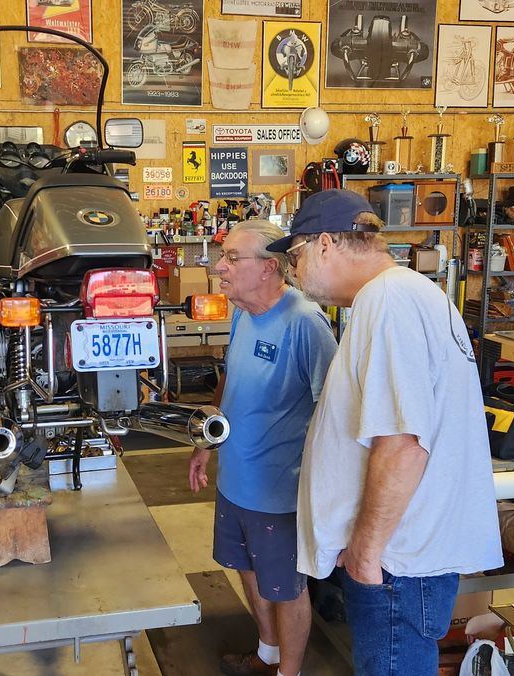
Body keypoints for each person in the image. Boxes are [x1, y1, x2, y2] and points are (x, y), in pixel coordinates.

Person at [267, 190, 502, 675]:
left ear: (326, 244)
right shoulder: (405, 294)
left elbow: (403, 443)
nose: (293, 273)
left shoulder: (390, 299)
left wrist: (366, 554)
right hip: (399, 558)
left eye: (295, 257)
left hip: (396, 562)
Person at [189, 219, 337, 676]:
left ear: (271, 267)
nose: (220, 267)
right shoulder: (242, 314)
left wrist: (323, 490)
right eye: (223, 256)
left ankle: (288, 672)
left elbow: (333, 410)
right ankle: (266, 653)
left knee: (284, 587)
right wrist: (206, 441)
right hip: (235, 479)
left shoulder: (305, 322)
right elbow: (231, 379)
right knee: (246, 571)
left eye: (233, 258)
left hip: (278, 493)